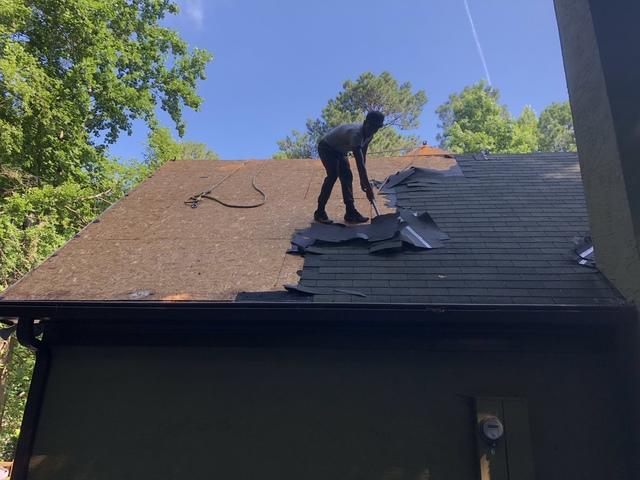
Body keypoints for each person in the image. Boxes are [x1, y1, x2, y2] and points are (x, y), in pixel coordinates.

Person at [314, 111, 385, 224]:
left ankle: (350, 213)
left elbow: (363, 155)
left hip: (340, 151)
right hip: (327, 148)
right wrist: (367, 187)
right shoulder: (355, 134)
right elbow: (359, 164)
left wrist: (363, 181)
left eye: (376, 128)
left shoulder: (370, 135)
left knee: (347, 177)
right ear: (365, 122)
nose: (373, 130)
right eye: (371, 126)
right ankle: (319, 212)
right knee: (333, 175)